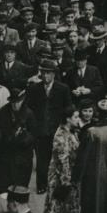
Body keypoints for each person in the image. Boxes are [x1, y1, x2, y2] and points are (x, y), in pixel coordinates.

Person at [27, 58, 74, 194]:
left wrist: (65, 125)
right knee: (42, 159)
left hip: (56, 129)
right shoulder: (34, 89)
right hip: (40, 130)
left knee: (58, 157)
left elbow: (68, 108)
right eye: (43, 73)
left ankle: (57, 184)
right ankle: (42, 185)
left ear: (54, 74)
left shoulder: (63, 88)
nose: (46, 76)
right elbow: (29, 109)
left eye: (48, 73)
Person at [44, 105, 82, 213]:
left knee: (60, 201)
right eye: (75, 117)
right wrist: (66, 178)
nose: (78, 119)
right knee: (63, 200)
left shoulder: (70, 131)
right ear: (68, 119)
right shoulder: (61, 135)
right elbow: (63, 158)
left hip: (63, 172)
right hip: (61, 173)